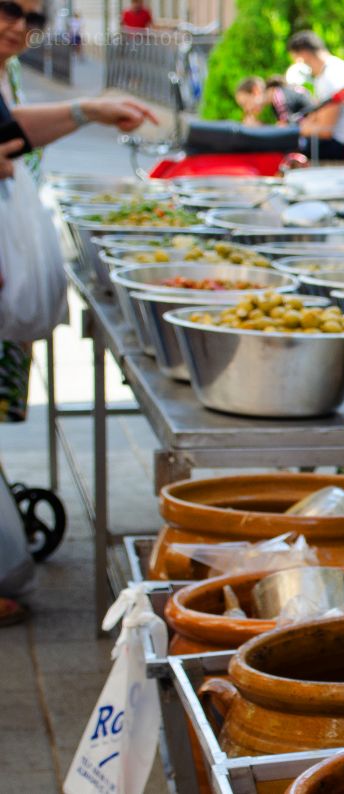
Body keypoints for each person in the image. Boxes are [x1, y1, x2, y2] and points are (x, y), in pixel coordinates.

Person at [1, 0, 157, 626]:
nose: (20, 25)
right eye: (9, 9)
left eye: (33, 18)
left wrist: (88, 110)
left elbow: (9, 133)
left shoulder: (9, 72)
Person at [286, 31, 344, 161]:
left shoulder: (330, 78)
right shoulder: (334, 69)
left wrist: (294, 130)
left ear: (304, 54)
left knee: (287, 147)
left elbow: (326, 131)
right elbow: (319, 115)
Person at [235, 75, 313, 127]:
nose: (246, 109)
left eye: (245, 103)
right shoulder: (279, 93)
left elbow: (286, 132)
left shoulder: (279, 98)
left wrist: (257, 127)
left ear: (256, 91)